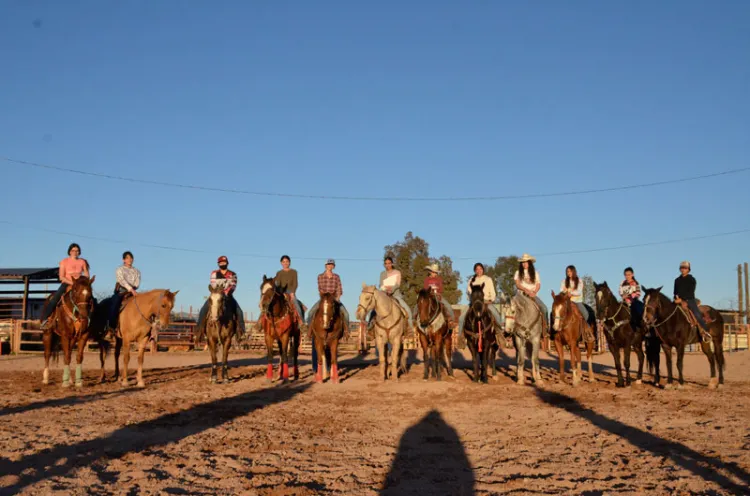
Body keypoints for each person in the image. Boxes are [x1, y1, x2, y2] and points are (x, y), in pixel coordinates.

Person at [307, 259, 349, 373]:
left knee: (345, 313)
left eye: (331, 264)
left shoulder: (336, 277)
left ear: (333, 266)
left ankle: (346, 331)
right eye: (328, 264)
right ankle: (309, 331)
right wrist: (325, 297)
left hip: (334, 299)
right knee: (310, 312)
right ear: (325, 266)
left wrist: (338, 297)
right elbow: (320, 288)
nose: (330, 266)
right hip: (324, 299)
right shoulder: (320, 276)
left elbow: (340, 289)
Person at [40, 243, 90, 329]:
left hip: (79, 284)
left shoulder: (82, 262)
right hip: (67, 282)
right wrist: (73, 283)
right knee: (55, 298)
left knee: (89, 297)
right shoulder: (64, 261)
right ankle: (45, 319)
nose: (75, 252)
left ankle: (93, 321)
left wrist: (84, 280)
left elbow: (86, 274)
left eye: (77, 251)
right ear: (69, 252)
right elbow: (61, 277)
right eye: (73, 250)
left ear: (79, 252)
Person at [197, 256, 245, 337]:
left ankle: (241, 332)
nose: (222, 264)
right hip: (215, 295)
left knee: (239, 311)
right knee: (203, 310)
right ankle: (198, 332)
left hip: (228, 296)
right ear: (218, 264)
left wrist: (226, 294)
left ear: (227, 263)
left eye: (224, 262)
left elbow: (233, 286)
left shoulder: (233, 274)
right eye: (221, 263)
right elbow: (213, 284)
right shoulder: (214, 273)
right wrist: (218, 294)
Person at [458, 262, 503, 334]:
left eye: (480, 269)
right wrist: (472, 300)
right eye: (477, 269)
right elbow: (468, 293)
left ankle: (500, 334)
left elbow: (493, 292)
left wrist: (490, 300)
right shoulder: (471, 280)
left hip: (486, 301)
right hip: (474, 302)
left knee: (496, 315)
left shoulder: (488, 279)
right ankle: (460, 337)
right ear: (475, 271)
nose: (479, 271)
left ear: (483, 270)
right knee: (461, 318)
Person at [673, 261, 710, 340]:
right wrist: (675, 298)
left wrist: (682, 299)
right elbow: (675, 292)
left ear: (688, 269)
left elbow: (690, 292)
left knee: (697, 314)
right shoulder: (677, 280)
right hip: (678, 300)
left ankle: (704, 331)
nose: (683, 269)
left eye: (685, 268)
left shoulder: (691, 279)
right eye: (682, 268)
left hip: (689, 299)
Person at [513, 253, 549, 332]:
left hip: (532, 295)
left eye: (526, 262)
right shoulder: (517, 272)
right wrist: (525, 289)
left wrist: (534, 292)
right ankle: (509, 328)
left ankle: (546, 327)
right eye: (523, 262)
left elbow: (538, 285)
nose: (524, 264)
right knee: (510, 309)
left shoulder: (535, 273)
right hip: (521, 295)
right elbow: (517, 284)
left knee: (544, 308)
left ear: (530, 263)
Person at [376, 256, 412, 329]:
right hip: (384, 295)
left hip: (396, 295)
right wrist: (385, 290)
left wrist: (391, 290)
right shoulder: (382, 274)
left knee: (407, 310)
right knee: (374, 310)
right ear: (384, 265)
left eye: (389, 263)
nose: (387, 265)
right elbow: (381, 285)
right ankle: (370, 328)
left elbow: (397, 284)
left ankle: (410, 329)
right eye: (386, 264)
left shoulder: (397, 272)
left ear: (392, 264)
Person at [109, 251, 141, 331]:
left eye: (131, 258)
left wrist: (133, 289)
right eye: (127, 258)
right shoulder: (119, 269)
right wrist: (130, 289)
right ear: (123, 260)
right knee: (114, 304)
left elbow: (137, 283)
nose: (129, 259)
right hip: (121, 291)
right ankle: (111, 326)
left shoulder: (137, 271)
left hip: (133, 291)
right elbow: (121, 280)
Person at [275, 255, 307, 332]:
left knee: (295, 303)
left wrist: (293, 292)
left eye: (287, 262)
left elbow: (295, 283)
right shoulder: (279, 273)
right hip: (281, 292)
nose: (285, 263)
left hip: (290, 291)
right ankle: (260, 322)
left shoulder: (294, 272)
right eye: (283, 262)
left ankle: (301, 322)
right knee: (270, 302)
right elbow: (277, 283)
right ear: (281, 263)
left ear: (289, 263)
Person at [422, 263, 456, 328]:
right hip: (429, 296)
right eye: (433, 272)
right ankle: (414, 319)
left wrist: (437, 292)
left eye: (436, 272)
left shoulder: (439, 279)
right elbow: (426, 288)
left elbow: (441, 289)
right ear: (430, 272)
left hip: (437, 296)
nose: (434, 274)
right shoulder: (427, 280)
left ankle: (451, 321)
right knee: (419, 305)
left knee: (448, 306)